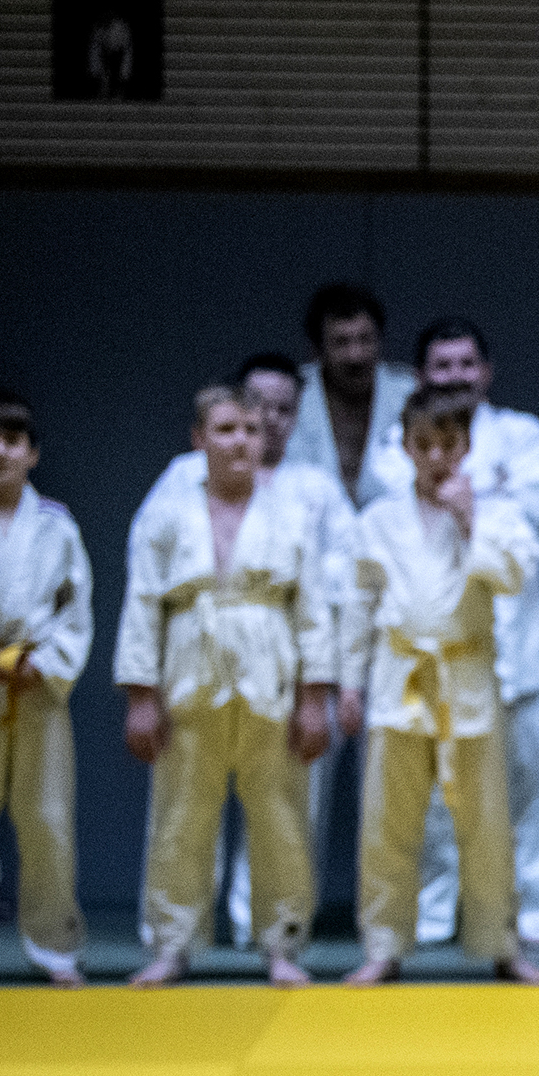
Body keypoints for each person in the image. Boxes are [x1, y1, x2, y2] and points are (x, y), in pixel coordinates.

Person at [140, 352, 364, 945]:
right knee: (181, 814)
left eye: (256, 427)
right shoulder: (174, 491)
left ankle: (282, 938)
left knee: (284, 818)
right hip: (191, 665)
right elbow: (144, 598)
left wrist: (317, 693)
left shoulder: (298, 499)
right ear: (201, 436)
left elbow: (317, 603)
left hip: (275, 672)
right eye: (230, 426)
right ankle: (172, 941)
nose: (245, 437)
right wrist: (141, 692)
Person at [339, 389, 539, 985]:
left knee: (486, 823)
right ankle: (384, 945)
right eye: (423, 444)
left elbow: (513, 577)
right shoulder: (377, 520)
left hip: (468, 680)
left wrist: (470, 518)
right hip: (399, 678)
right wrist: (349, 684)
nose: (436, 456)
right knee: (388, 822)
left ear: (467, 447)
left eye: (448, 445)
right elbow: (358, 605)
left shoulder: (496, 513)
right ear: (405, 447)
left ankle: (501, 943)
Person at [376, 319, 539, 948]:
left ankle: (535, 912)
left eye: (466, 365)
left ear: (486, 372)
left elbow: (533, 524)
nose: (455, 376)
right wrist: (483, 493)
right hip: (433, 647)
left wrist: (473, 502)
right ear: (423, 375)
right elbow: (400, 505)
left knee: (530, 791)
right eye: (441, 366)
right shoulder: (391, 443)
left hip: (513, 636)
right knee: (431, 803)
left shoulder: (524, 436)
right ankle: (433, 914)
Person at [0, 391, 90, 985]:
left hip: (37, 685)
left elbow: (76, 608)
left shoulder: (56, 526)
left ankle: (54, 947)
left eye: (12, 442)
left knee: (46, 819)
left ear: (33, 453)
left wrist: (51, 661)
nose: (0, 453)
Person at [281, 283, 417, 507]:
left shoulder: (408, 393)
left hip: (392, 533)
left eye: (365, 339)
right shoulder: (292, 394)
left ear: (380, 341)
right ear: (317, 350)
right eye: (341, 342)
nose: (356, 356)